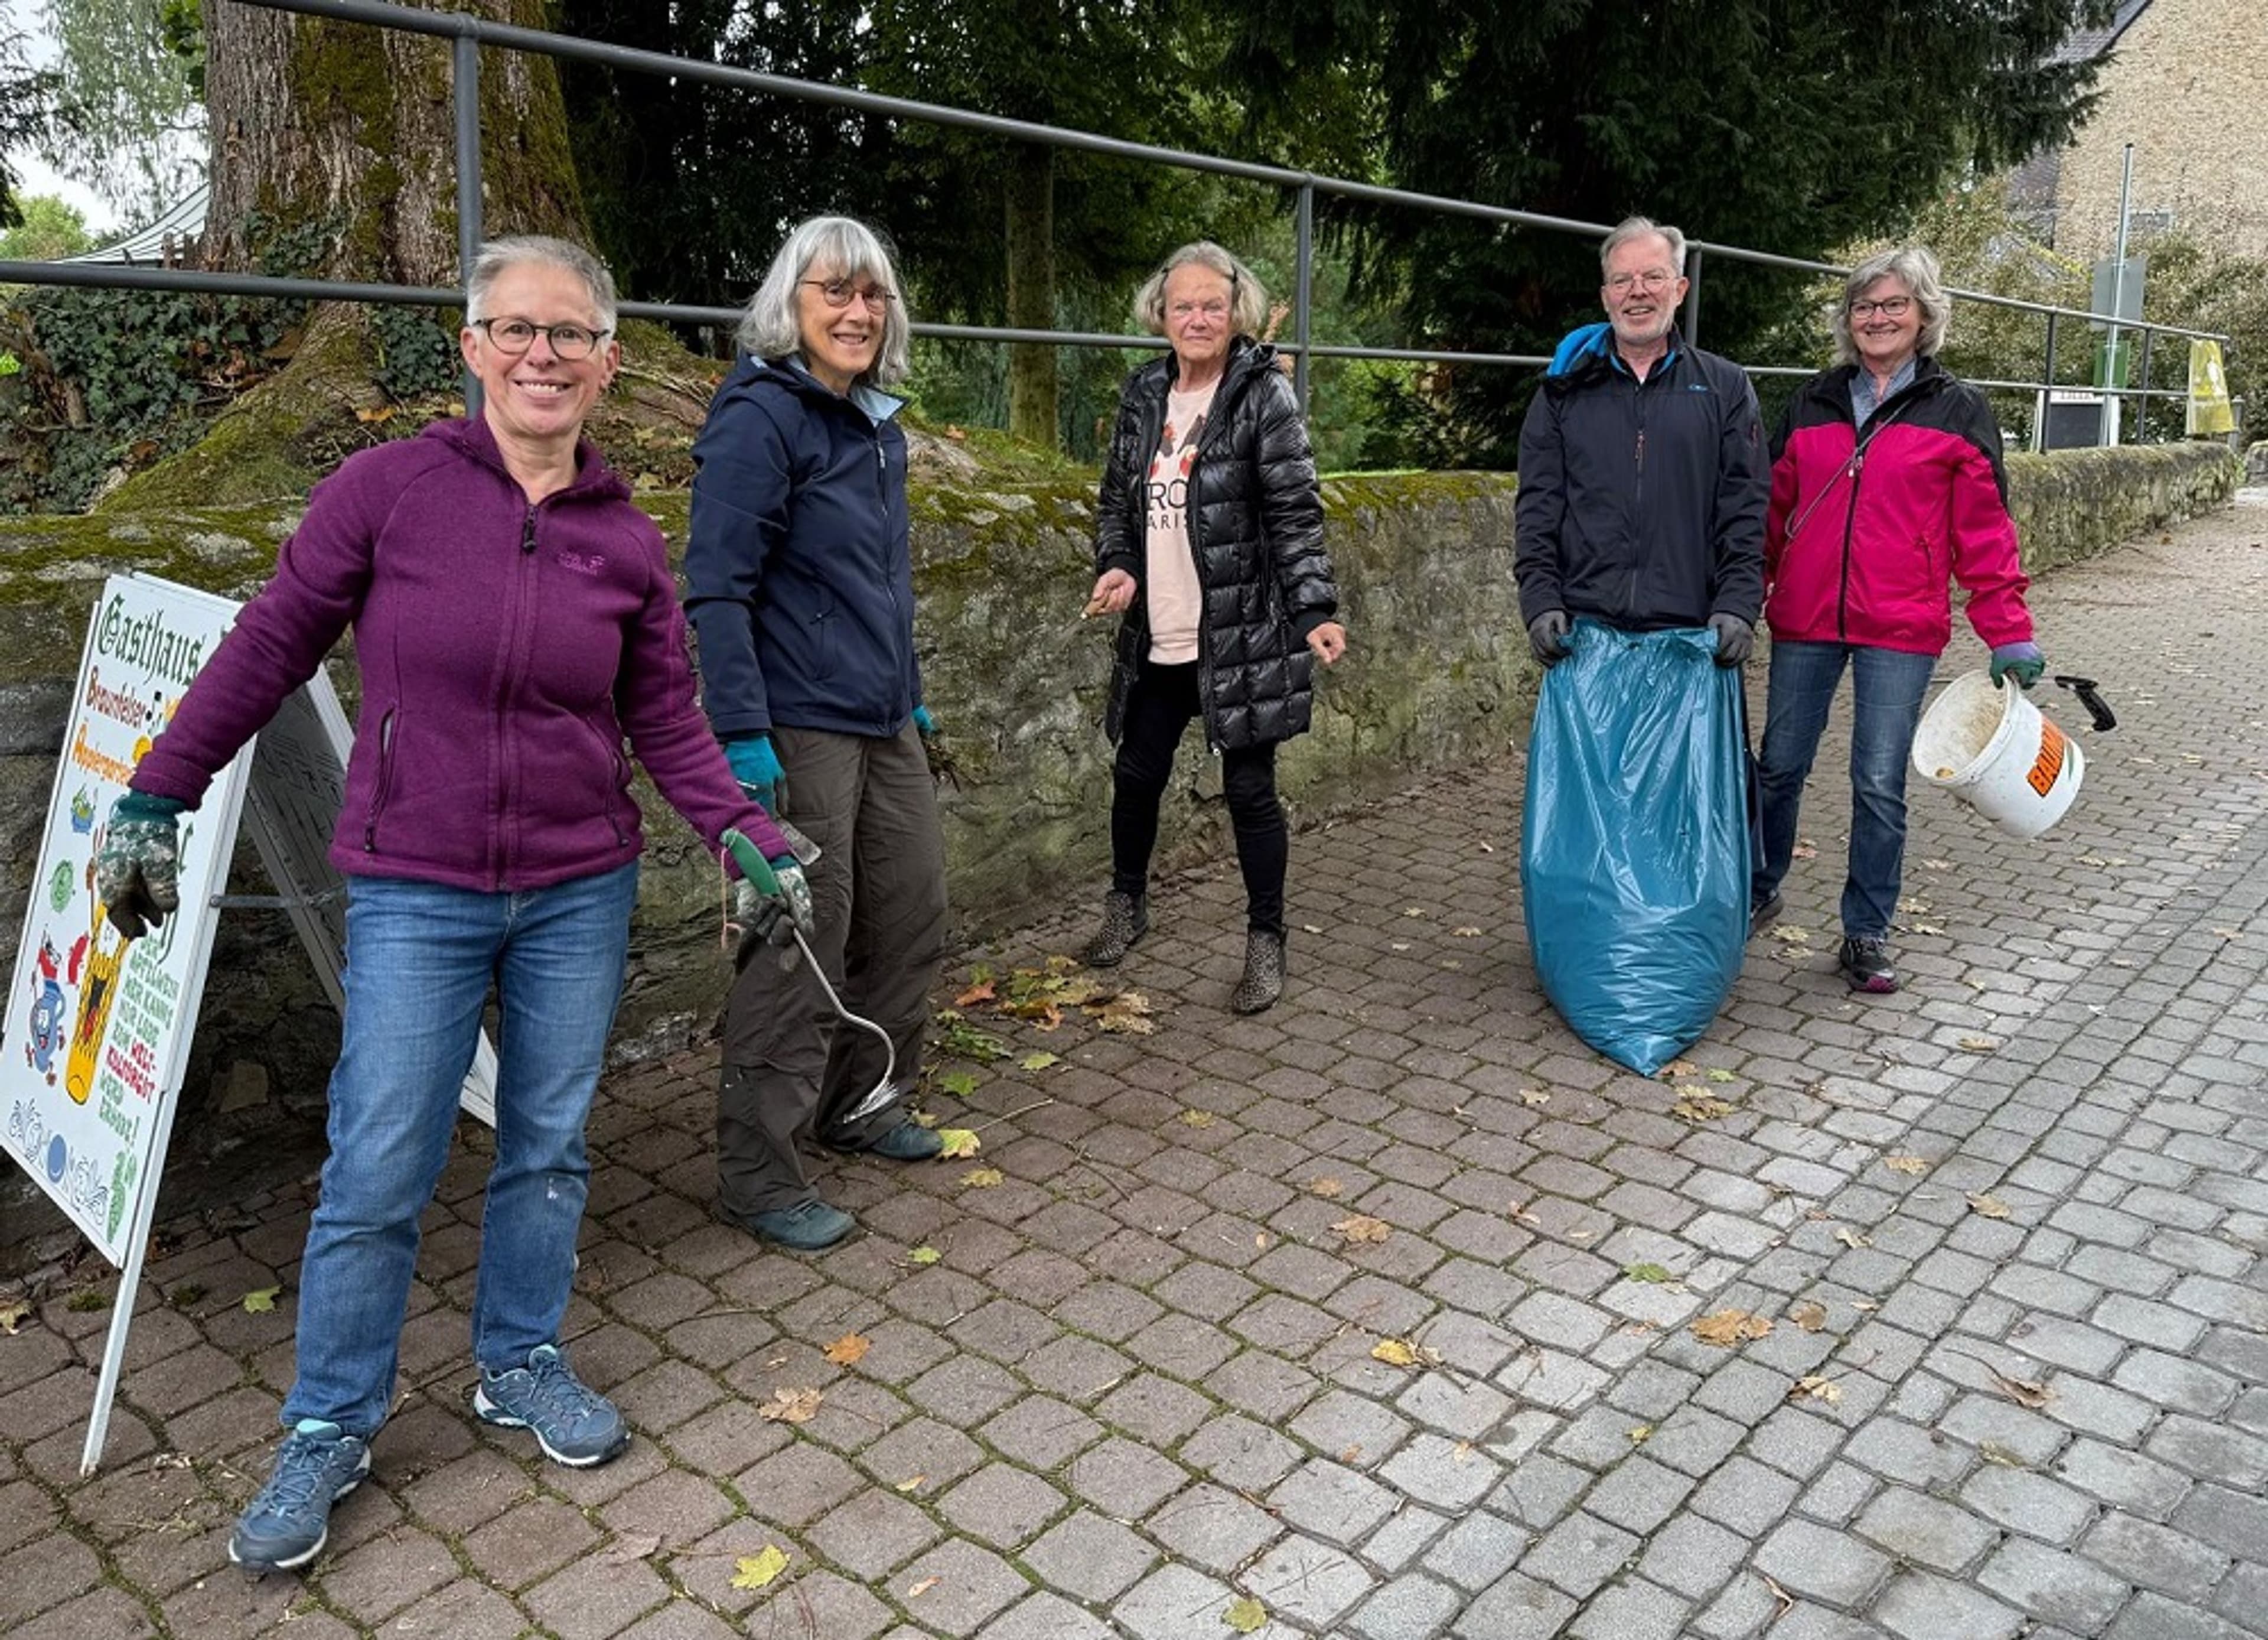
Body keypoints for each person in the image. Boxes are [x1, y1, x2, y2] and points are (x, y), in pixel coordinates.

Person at [92, 236, 805, 1576]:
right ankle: (329, 1417)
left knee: (546, 1137)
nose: (542, 351)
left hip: (576, 885)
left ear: (604, 359)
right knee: (377, 1156)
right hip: (415, 882)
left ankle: (518, 1355)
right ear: (471, 346)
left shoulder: (627, 544)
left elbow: (664, 715)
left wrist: (744, 831)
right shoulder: (387, 492)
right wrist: (157, 794)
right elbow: (270, 644)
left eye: (571, 332)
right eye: (514, 327)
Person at [684, 215, 947, 1254]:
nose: (857, 311)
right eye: (833, 291)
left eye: (873, 294)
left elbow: (881, 581)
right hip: (798, 722)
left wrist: (910, 686)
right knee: (800, 938)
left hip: (882, 715)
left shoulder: (872, 422)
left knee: (912, 904)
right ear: (790, 305)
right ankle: (758, 1170)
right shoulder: (762, 417)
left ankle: (863, 1099)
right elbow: (717, 587)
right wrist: (742, 735)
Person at [1752, 245, 2044, 994]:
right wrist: (1739, 598)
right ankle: (1753, 888)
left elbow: (1985, 531)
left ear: (1923, 316)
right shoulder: (1813, 401)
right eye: (1864, 306)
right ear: (1848, 320)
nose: (1877, 318)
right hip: (1807, 617)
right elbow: (1769, 516)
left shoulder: (1959, 409)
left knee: (1878, 779)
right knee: (1779, 763)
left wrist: (2007, 629)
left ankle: (1865, 929)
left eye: (1894, 306)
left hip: (1900, 623)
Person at [1080, 240, 1345, 1014]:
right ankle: (1127, 906)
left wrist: (1315, 611)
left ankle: (1267, 941)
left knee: (1249, 789)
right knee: (1136, 775)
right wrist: (1119, 563)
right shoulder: (1141, 396)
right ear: (1160, 314)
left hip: (1241, 630)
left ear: (1237, 315)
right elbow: (1114, 508)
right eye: (1183, 305)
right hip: (1159, 630)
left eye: (1213, 305)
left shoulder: (1264, 397)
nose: (1197, 318)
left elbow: (1297, 516)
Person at [1514, 215, 1768, 668]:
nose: (1638, 291)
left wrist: (1738, 605)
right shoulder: (1562, 392)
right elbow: (1538, 508)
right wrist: (1539, 600)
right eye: (1622, 280)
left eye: (1654, 277)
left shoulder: (1725, 388)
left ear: (1680, 288)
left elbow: (1744, 509)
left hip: (1692, 636)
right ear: (1606, 296)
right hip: (1585, 634)